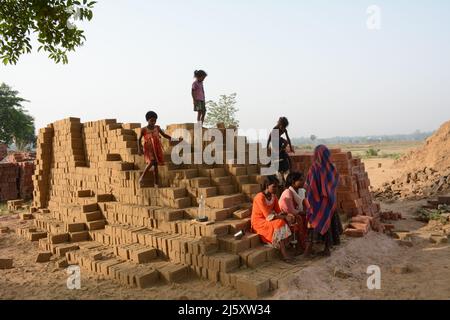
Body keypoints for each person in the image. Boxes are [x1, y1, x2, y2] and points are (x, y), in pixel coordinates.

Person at [304, 145, 343, 257]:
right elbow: (335, 183)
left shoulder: (315, 168)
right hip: (330, 201)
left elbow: (310, 187)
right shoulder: (332, 168)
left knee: (314, 222)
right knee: (328, 223)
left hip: (317, 202)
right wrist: (328, 192)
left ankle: (308, 251)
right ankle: (326, 249)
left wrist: (311, 199)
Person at [251, 175, 293, 262]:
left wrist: (287, 215)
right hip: (259, 223)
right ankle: (284, 253)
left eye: (277, 186)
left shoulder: (274, 197)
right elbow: (268, 216)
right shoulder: (259, 197)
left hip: (268, 220)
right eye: (274, 186)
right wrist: (284, 217)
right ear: (267, 186)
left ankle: (288, 247)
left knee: (287, 219)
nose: (276, 189)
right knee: (279, 222)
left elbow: (278, 212)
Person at [138, 111, 180, 188]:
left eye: (155, 120)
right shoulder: (144, 129)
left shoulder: (157, 128)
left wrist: (175, 139)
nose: (153, 122)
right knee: (151, 161)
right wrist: (139, 149)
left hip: (156, 148)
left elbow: (164, 135)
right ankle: (142, 178)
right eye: (151, 120)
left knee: (156, 166)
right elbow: (139, 139)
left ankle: (156, 183)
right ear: (147, 120)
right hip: (148, 148)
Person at [279, 172, 309, 255]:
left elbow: (306, 203)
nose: (303, 182)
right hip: (286, 216)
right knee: (300, 219)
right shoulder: (287, 192)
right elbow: (291, 210)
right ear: (293, 182)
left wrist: (308, 210)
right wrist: (305, 212)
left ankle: (306, 245)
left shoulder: (301, 191)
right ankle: (301, 246)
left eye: (303, 179)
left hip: (297, 214)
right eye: (300, 180)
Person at [267, 117, 294, 185]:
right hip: (274, 141)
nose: (283, 128)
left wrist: (290, 148)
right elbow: (269, 138)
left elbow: (288, 139)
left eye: (284, 127)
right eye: (282, 126)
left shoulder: (284, 129)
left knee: (285, 142)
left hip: (279, 142)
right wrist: (267, 147)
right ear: (279, 124)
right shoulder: (275, 129)